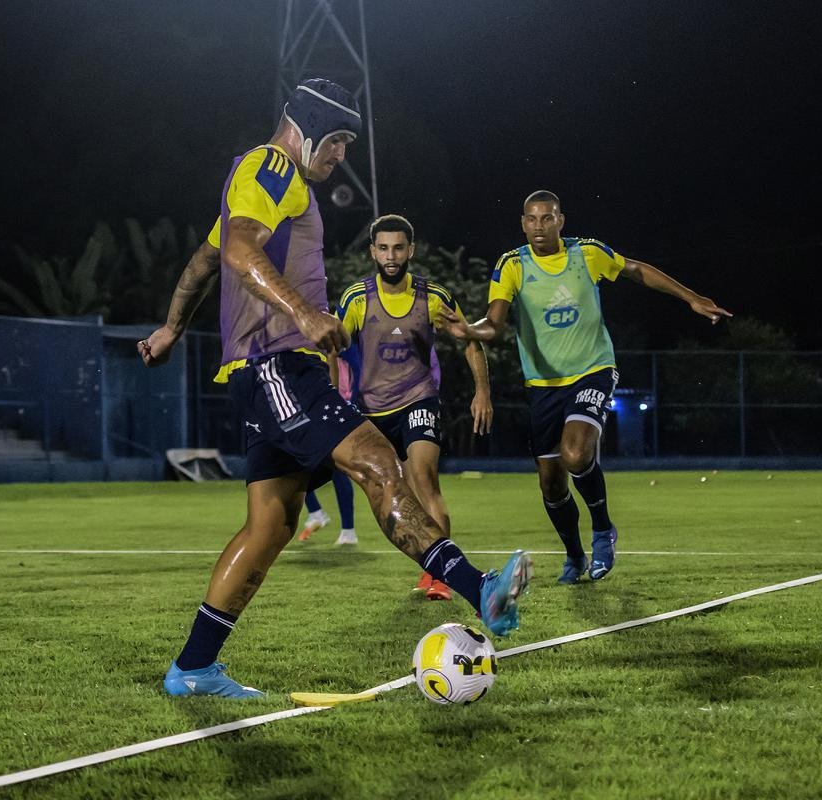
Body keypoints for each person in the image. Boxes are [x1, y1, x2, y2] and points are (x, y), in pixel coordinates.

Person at [138, 79, 532, 699]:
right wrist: (301, 311)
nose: (342, 155)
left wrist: (169, 326)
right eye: (340, 140)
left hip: (265, 373)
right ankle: (480, 588)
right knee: (379, 462)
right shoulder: (271, 166)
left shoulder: (264, 184)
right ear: (309, 128)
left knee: (270, 525)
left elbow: (204, 261)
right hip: (277, 368)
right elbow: (238, 250)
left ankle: (192, 668)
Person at [441, 190, 731, 585]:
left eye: (547, 218)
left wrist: (691, 298)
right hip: (543, 384)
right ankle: (574, 556)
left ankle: (602, 530)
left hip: (592, 370)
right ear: (523, 223)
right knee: (551, 483)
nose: (539, 227)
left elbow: (636, 269)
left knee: (575, 454)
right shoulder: (511, 265)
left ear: (561, 220)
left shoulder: (587, 253)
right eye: (531, 219)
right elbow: (494, 324)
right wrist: (467, 329)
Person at [337, 214, 493, 601]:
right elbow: (333, 348)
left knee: (424, 478)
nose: (391, 256)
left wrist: (482, 393)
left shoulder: (433, 296)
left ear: (412, 250)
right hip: (371, 409)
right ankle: (432, 560)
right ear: (373, 251)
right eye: (384, 248)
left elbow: (470, 340)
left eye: (399, 247)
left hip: (418, 399)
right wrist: (333, 396)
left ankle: (441, 578)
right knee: (392, 491)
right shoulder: (356, 298)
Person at [299, 352, 357, 545]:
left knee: (335, 469)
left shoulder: (338, 348)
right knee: (297, 464)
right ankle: (319, 514)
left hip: (332, 408)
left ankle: (344, 529)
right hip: (325, 407)